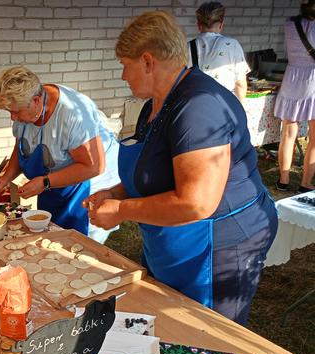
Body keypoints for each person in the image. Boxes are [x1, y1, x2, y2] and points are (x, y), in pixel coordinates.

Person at [86, 11, 277, 325]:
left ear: (148, 61)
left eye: (124, 65)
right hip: (174, 239)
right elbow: (157, 173)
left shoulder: (199, 106)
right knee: (168, 322)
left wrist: (121, 209)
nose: (123, 76)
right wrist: (115, 192)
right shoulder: (155, 104)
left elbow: (196, 202)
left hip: (219, 243)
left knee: (209, 333)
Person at [0, 66, 120, 240]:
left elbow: (93, 166)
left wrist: (45, 182)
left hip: (88, 183)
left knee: (79, 245)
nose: (13, 118)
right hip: (52, 183)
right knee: (52, 237)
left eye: (16, 112)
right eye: (9, 112)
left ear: (36, 100)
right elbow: (21, 148)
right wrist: (5, 178)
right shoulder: (27, 110)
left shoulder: (71, 115)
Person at [274, 0, 315, 193]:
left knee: (288, 134)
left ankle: (283, 180)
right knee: (314, 138)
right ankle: (305, 183)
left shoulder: (290, 24)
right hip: (313, 80)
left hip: (291, 79)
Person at [187, 2, 250, 101]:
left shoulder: (187, 47)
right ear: (221, 25)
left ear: (198, 25)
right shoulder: (232, 45)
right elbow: (240, 84)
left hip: (195, 103)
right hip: (223, 104)